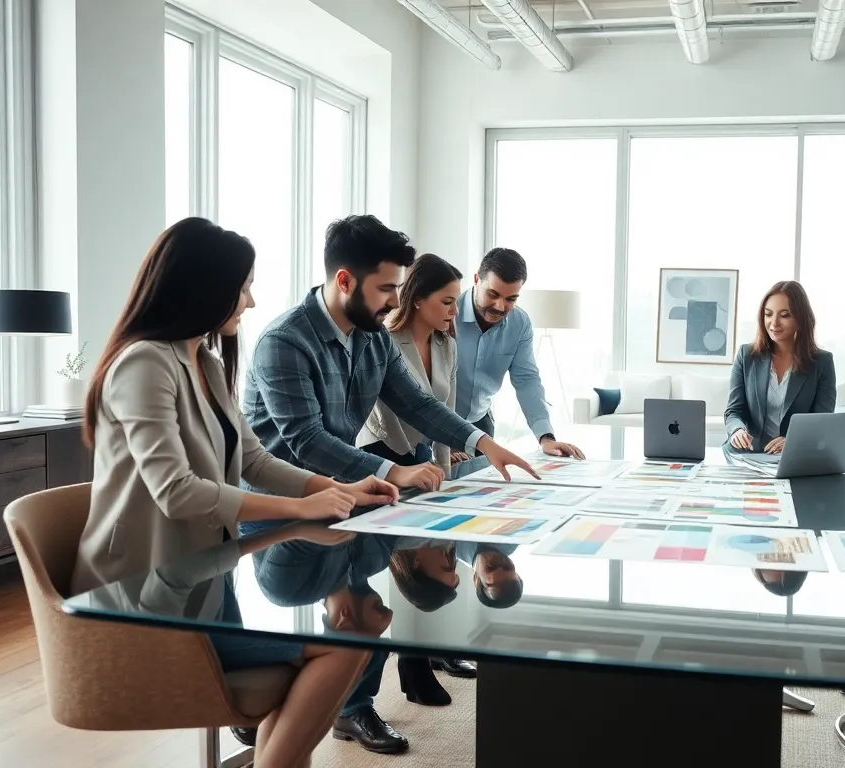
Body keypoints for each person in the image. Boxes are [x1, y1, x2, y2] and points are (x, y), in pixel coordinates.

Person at [72, 217, 395, 768]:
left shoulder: (206, 362)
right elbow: (176, 492)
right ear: (203, 288)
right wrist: (301, 507)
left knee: (343, 643)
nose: (250, 300)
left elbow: (253, 460)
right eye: (242, 286)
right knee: (349, 642)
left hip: (201, 581)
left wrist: (339, 488)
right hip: (140, 599)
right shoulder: (144, 363)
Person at [242, 214, 539, 755]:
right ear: (345, 281)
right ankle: (316, 702)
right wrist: (390, 471)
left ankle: (333, 706)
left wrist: (482, 443)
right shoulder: (283, 343)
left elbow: (418, 402)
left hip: (343, 502)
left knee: (379, 605)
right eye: (386, 288)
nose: (392, 301)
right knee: (368, 611)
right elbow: (304, 439)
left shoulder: (372, 337)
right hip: (282, 518)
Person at [453, 247, 586, 459]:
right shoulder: (447, 313)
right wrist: (439, 444)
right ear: (477, 279)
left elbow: (527, 381)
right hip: (438, 422)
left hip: (481, 423)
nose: (500, 306)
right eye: (493, 294)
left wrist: (546, 438)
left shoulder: (520, 323)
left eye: (511, 299)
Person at [356, 253, 466, 477]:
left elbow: (446, 413)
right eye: (447, 302)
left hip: (419, 455)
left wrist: (445, 473)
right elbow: (385, 416)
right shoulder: (384, 341)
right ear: (417, 299)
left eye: (456, 301)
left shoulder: (447, 346)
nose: (455, 311)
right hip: (378, 453)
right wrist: (407, 464)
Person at [724, 280, 837, 454]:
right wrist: (737, 430)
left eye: (785, 315)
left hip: (796, 455)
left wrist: (793, 441)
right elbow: (733, 411)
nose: (774, 323)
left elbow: (822, 421)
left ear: (800, 319)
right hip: (748, 454)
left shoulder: (822, 362)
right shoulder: (746, 356)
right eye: (768, 314)